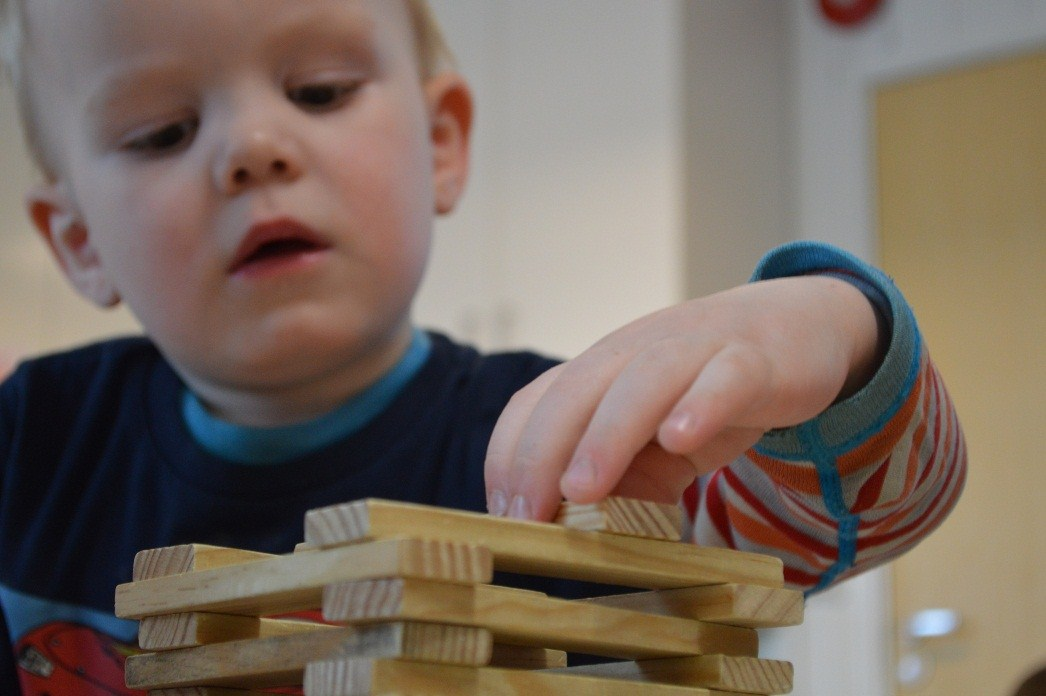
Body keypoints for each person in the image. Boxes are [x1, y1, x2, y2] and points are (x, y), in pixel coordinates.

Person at [0, 0, 966, 693]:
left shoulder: (564, 447)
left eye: (320, 90)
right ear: (80, 239)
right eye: (162, 132)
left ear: (443, 143)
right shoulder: (29, 440)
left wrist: (839, 331)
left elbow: (848, 526)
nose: (253, 147)